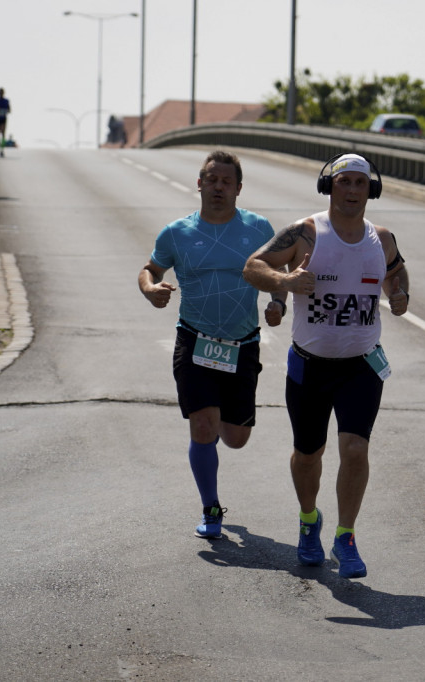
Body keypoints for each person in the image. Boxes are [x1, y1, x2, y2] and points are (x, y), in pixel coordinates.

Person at [242, 153, 410, 579]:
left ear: (370, 189)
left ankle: (346, 536)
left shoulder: (382, 238)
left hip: (362, 367)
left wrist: (400, 294)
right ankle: (308, 520)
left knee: (355, 449)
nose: (352, 191)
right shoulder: (307, 233)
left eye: (360, 183)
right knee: (307, 453)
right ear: (329, 187)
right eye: (344, 182)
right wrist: (285, 283)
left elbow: (397, 272)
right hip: (309, 365)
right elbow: (253, 267)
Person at [138, 150, 286, 539]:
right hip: (194, 340)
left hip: (243, 344)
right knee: (202, 426)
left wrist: (278, 300)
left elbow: (280, 269)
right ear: (199, 183)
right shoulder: (176, 232)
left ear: (238, 188)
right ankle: (211, 506)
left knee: (235, 438)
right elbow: (151, 268)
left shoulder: (257, 228)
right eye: (211, 179)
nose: (218, 186)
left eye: (226, 181)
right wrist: (151, 288)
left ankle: (218, 422)